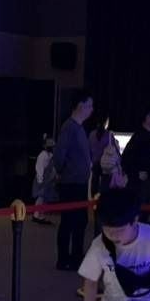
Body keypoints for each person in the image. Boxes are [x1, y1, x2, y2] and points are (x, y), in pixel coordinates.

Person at [53, 90, 93, 270]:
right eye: (89, 105)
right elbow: (59, 155)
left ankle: (76, 256)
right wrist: (63, 172)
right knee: (69, 222)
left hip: (79, 183)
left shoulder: (79, 128)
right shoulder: (69, 127)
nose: (91, 109)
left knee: (80, 222)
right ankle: (63, 259)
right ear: (80, 106)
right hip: (71, 184)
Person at [122, 108, 150, 211]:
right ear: (148, 118)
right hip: (138, 184)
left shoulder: (145, 136)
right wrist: (136, 173)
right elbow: (126, 158)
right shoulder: (140, 136)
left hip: (143, 183)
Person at [32, 136, 55, 225]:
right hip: (42, 179)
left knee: (45, 198)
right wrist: (40, 180)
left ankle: (41, 215)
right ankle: (36, 215)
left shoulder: (50, 155)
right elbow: (39, 168)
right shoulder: (42, 155)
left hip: (48, 179)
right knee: (41, 197)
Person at [89, 115, 110, 197]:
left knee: (94, 182)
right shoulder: (108, 135)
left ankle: (93, 199)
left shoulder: (92, 134)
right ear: (105, 123)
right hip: (105, 164)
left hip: (94, 162)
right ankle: (103, 199)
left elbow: (89, 149)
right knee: (105, 184)